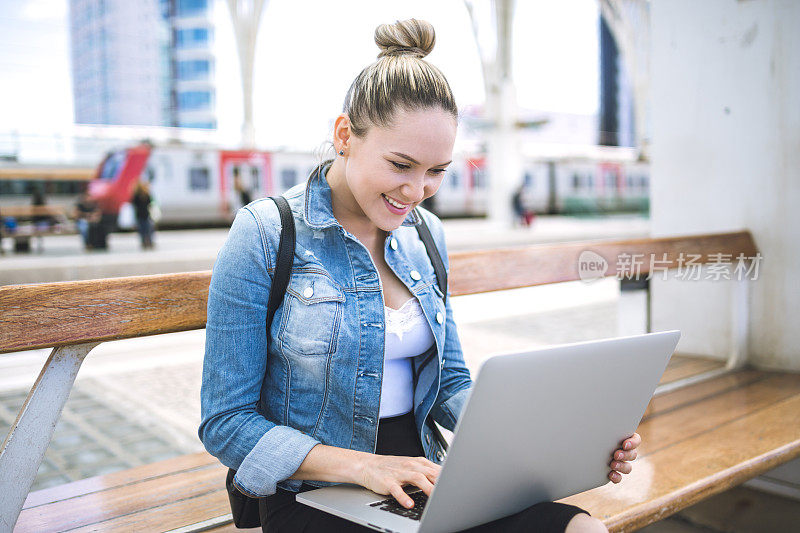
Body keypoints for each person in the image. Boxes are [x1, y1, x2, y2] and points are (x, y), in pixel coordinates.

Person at [199, 19, 638, 533]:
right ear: (345, 135)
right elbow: (226, 423)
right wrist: (364, 466)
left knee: (583, 529)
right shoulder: (266, 233)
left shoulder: (425, 233)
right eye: (401, 165)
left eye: (436, 171)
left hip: (425, 472)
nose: (416, 191)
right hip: (312, 488)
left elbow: (451, 382)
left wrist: (562, 441)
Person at [131, 181, 155, 249]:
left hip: (143, 215)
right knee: (145, 229)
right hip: (142, 215)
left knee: (145, 229)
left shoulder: (144, 195)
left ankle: (147, 242)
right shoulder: (138, 195)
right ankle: (146, 242)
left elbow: (149, 202)